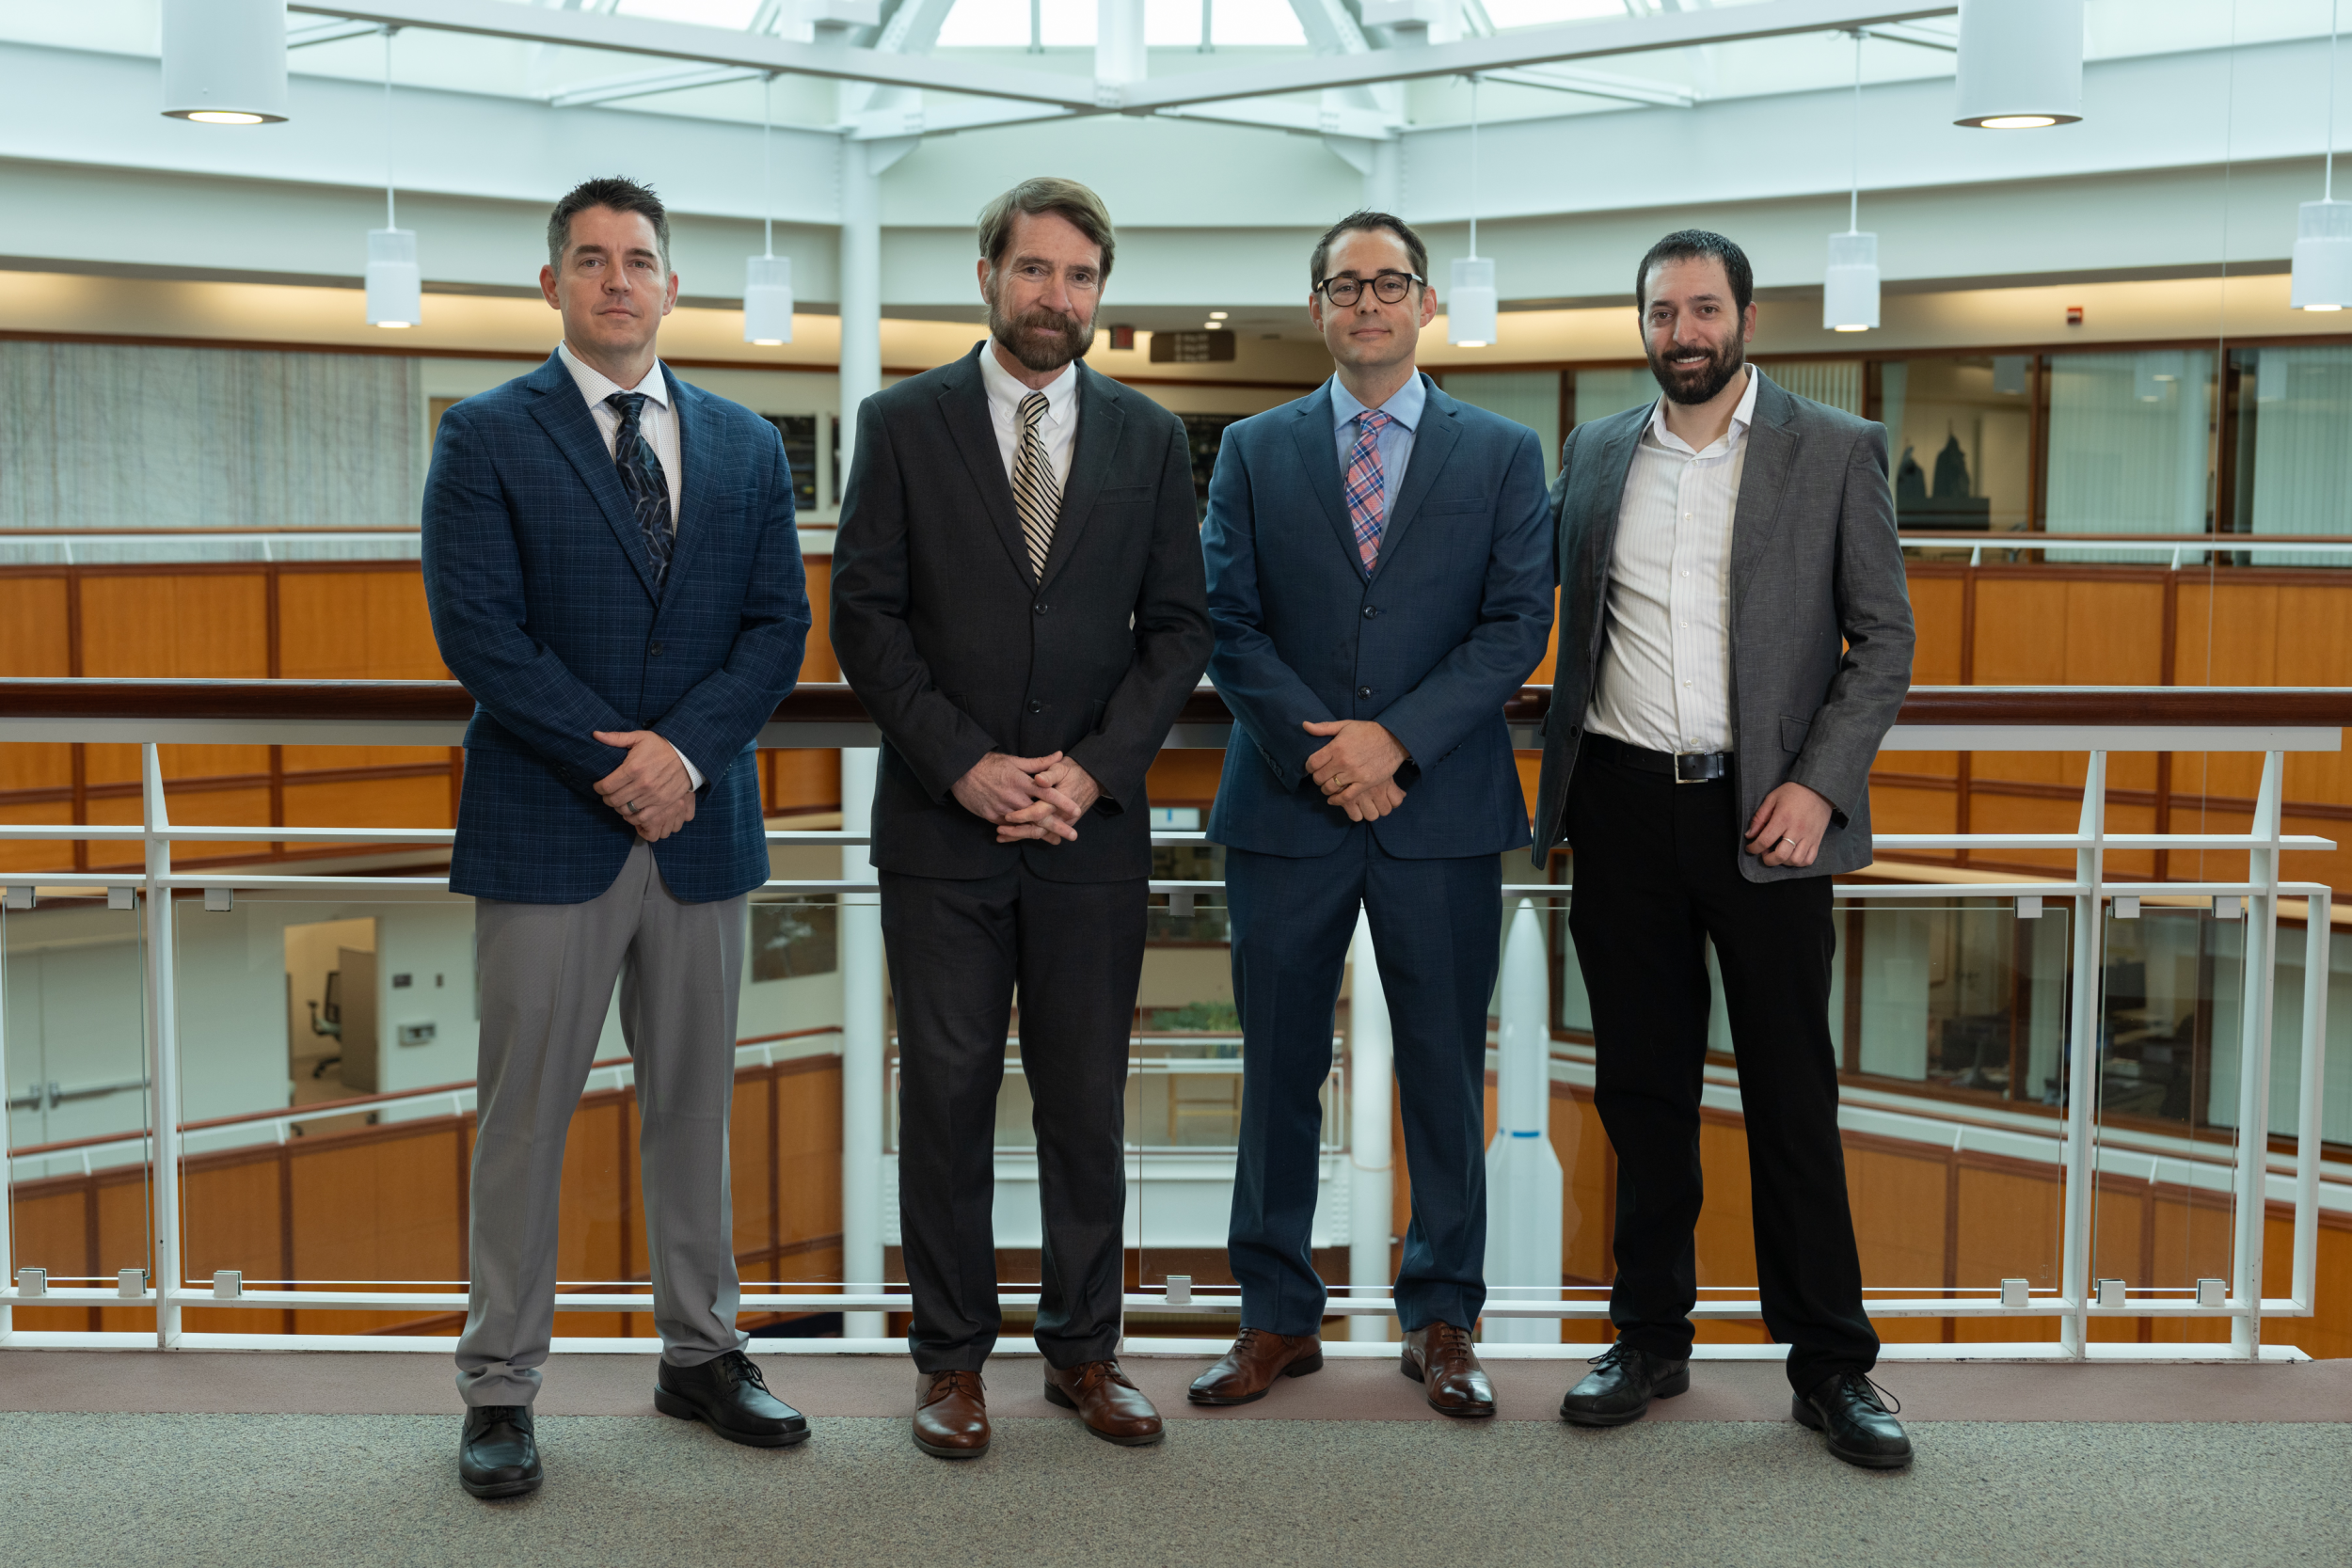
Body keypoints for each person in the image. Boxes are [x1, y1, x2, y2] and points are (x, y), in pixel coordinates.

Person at [422, 176, 813, 1499]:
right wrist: (622, 761)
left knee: (696, 1112)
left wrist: (683, 756)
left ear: (671, 284)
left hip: (701, 827)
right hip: (548, 825)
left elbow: (777, 629)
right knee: (523, 1119)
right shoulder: (482, 436)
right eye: (588, 259)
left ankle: (702, 1353)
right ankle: (499, 1385)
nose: (615, 280)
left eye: (637, 258)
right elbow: (481, 634)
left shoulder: (751, 445)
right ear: (552, 285)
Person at [829, 177, 1212, 1459]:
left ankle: (1086, 1350)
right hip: (946, 830)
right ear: (988, 272)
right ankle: (949, 1360)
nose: (1060, 298)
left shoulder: (1151, 438)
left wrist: (1094, 771)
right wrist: (969, 766)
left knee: (1084, 1099)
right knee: (944, 1095)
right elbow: (865, 619)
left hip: (1091, 832)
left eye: (1083, 277)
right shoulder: (900, 421)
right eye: (1037, 270)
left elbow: (1178, 631)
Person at [1531, 230, 1916, 1468]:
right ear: (1641, 325)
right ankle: (1648, 1336)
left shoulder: (1836, 448)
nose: (1683, 331)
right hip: (1624, 810)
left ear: (1746, 316)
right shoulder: (1595, 453)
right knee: (1643, 1094)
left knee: (1791, 1095)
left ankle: (1833, 1364)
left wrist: (1818, 783)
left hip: (1771, 818)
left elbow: (1884, 641)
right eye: (1662, 311)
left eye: (1704, 308)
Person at [1188, 211, 1553, 1418]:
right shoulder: (1250, 447)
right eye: (1344, 286)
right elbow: (1225, 622)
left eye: (1389, 282)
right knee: (1277, 1069)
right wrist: (1325, 755)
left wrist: (1390, 742)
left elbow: (1514, 623)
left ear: (1425, 302)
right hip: (1286, 811)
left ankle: (1442, 1317)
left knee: (1444, 1074)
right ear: (1317, 309)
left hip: (1439, 808)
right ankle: (1274, 1317)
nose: (1367, 303)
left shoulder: (1501, 452)